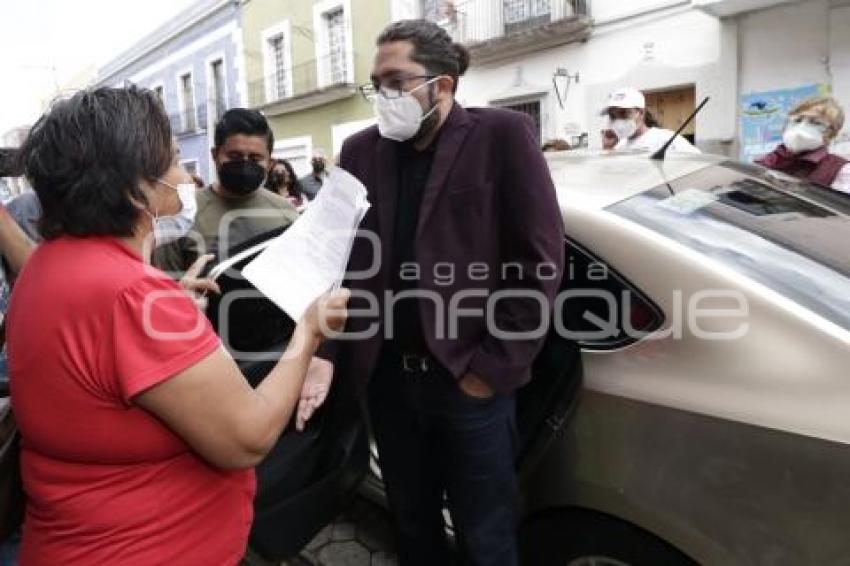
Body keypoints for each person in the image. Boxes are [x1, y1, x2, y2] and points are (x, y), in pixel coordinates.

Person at [7, 85, 349, 564]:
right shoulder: (130, 295)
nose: (184, 173)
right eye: (170, 159)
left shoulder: (47, 264)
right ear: (133, 186)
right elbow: (246, 438)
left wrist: (170, 307)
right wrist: (309, 333)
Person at [317, 19, 564, 565]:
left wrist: (490, 370)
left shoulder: (501, 135)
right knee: (412, 523)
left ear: (443, 84)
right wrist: (329, 353)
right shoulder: (360, 151)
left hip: (466, 383)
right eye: (376, 83)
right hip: (386, 379)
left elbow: (538, 261)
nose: (384, 96)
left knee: (485, 533)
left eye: (396, 81)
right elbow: (339, 263)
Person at [155, 108, 299, 274]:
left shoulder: (287, 215)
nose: (244, 165)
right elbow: (163, 288)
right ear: (215, 155)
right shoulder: (181, 213)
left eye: (255, 159)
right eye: (234, 156)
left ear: (270, 163)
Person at [755, 95, 850, 193]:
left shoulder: (839, 170)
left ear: (831, 134)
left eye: (816, 123)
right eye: (797, 120)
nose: (802, 126)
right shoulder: (766, 161)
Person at [602, 87, 700, 154]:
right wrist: (608, 149)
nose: (617, 120)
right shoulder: (619, 146)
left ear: (640, 113)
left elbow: (698, 164)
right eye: (612, 116)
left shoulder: (666, 139)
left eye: (623, 113)